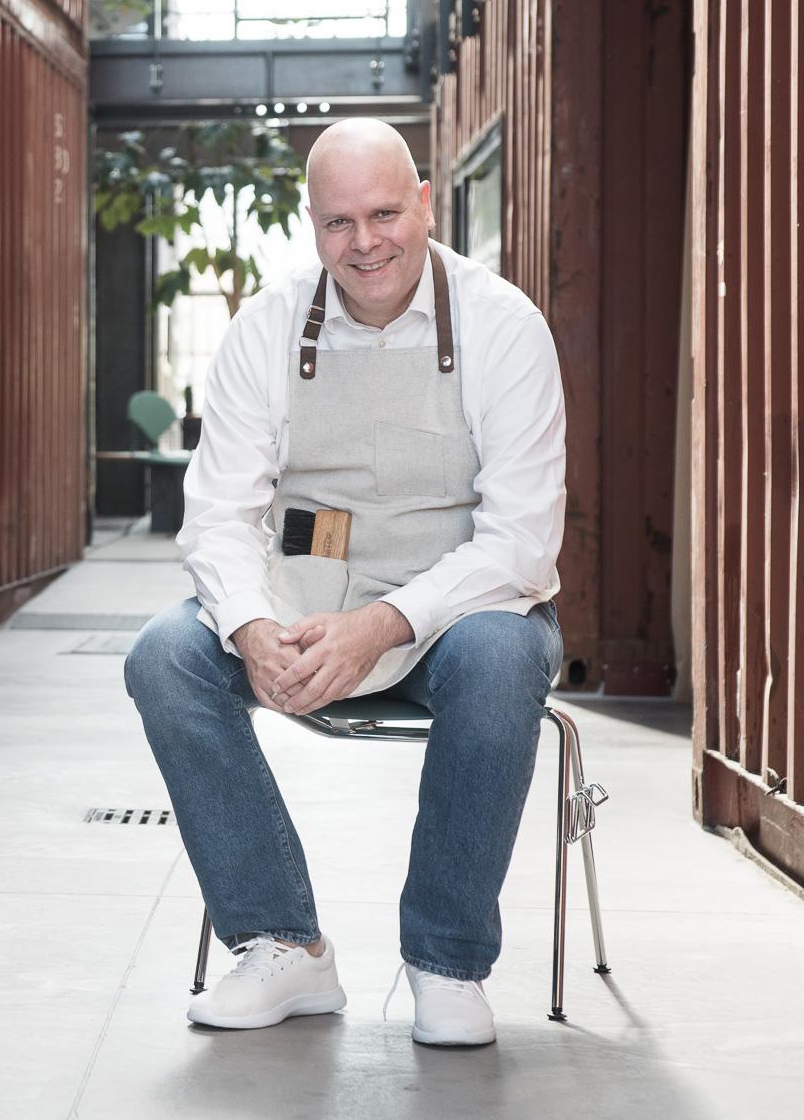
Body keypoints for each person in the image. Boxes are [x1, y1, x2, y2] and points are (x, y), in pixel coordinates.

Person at [123, 118, 565, 1047]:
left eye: (384, 213)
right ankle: (283, 944)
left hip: (456, 618)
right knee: (166, 656)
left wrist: (384, 625)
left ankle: (445, 961)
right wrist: (248, 626)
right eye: (337, 223)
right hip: (303, 607)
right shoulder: (270, 324)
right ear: (310, 224)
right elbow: (218, 512)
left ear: (426, 204)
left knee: (505, 654)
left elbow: (522, 541)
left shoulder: (503, 326)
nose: (365, 243)